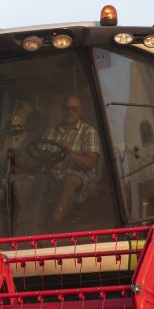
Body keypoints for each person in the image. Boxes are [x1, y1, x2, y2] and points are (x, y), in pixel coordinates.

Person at [36, 93, 102, 228]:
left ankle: (53, 224)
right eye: (66, 108)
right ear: (62, 110)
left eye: (74, 109)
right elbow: (39, 156)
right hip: (52, 177)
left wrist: (70, 153)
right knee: (24, 181)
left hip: (82, 181)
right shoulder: (50, 132)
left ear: (80, 111)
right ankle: (28, 223)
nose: (70, 112)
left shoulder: (89, 132)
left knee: (71, 180)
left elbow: (90, 164)